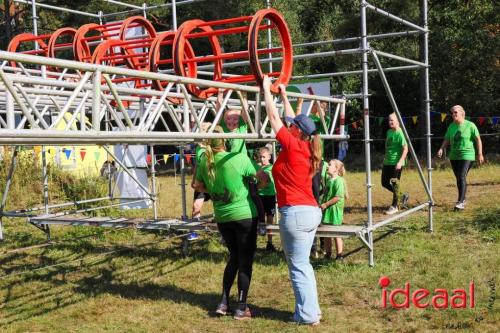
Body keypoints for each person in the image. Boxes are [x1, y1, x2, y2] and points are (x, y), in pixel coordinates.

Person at [262, 76, 323, 326]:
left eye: (294, 126)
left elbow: (275, 118)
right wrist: (284, 94)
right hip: (310, 212)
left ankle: (307, 316)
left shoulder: (293, 145)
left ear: (297, 131)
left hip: (295, 214)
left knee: (297, 267)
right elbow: (288, 118)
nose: (290, 126)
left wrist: (266, 90)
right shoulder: (309, 147)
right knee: (303, 265)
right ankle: (310, 311)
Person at [193, 126, 266, 320]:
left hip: (223, 218)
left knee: (234, 256)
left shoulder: (204, 162)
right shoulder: (239, 158)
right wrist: (252, 184)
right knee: (245, 261)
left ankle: (224, 302)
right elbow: (264, 180)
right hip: (244, 217)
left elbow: (197, 186)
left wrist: (215, 192)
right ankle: (241, 307)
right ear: (225, 141)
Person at [437, 105, 484, 210]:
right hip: (454, 156)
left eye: (455, 112)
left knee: (461, 176)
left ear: (462, 114)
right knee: (459, 178)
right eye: (452, 113)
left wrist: (480, 154)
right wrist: (441, 148)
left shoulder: (470, 125)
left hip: (467, 155)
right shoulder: (451, 126)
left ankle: (461, 201)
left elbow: (478, 140)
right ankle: (462, 198)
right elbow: (447, 139)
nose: (453, 114)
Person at [381, 113, 409, 215]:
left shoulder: (399, 133)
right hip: (387, 162)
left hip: (396, 163)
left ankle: (395, 206)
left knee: (394, 183)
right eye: (389, 120)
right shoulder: (389, 132)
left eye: (392, 120)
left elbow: (405, 148)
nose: (390, 122)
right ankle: (402, 196)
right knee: (384, 182)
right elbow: (388, 146)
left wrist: (400, 161)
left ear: (398, 121)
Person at [320, 159, 347, 260]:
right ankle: (328, 253)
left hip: (335, 211)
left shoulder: (339, 181)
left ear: (336, 169)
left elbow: (337, 197)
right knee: (327, 233)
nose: (327, 166)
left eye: (330, 165)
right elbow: (325, 193)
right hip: (327, 211)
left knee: (336, 233)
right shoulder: (329, 180)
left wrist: (326, 204)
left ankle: (339, 254)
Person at [256, 146, 277, 252]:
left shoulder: (271, 168)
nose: (262, 159)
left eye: (264, 157)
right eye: (260, 157)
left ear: (269, 157)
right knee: (258, 219)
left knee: (270, 219)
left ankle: (270, 243)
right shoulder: (259, 168)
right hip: (260, 197)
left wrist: (255, 187)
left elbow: (266, 182)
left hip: (269, 196)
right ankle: (253, 242)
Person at [191, 123, 212, 220]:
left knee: (218, 207)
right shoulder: (198, 148)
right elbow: (197, 164)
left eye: (203, 130)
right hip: (200, 181)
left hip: (212, 181)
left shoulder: (212, 147)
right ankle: (194, 231)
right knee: (196, 206)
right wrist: (194, 179)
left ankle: (219, 230)